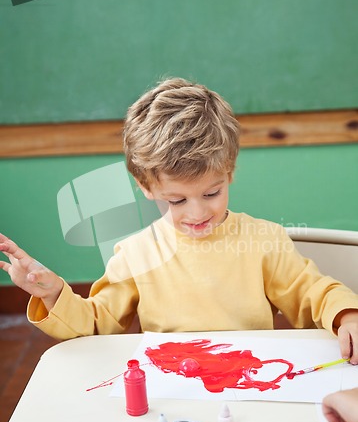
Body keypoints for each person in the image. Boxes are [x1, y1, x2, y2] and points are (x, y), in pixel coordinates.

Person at [1, 77, 358, 360]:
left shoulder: (264, 240)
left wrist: (347, 316)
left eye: (211, 193)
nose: (197, 212)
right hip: (172, 391)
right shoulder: (135, 254)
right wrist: (53, 294)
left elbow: (313, 292)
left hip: (252, 381)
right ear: (146, 186)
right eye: (176, 200)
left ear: (229, 172)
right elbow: (96, 324)